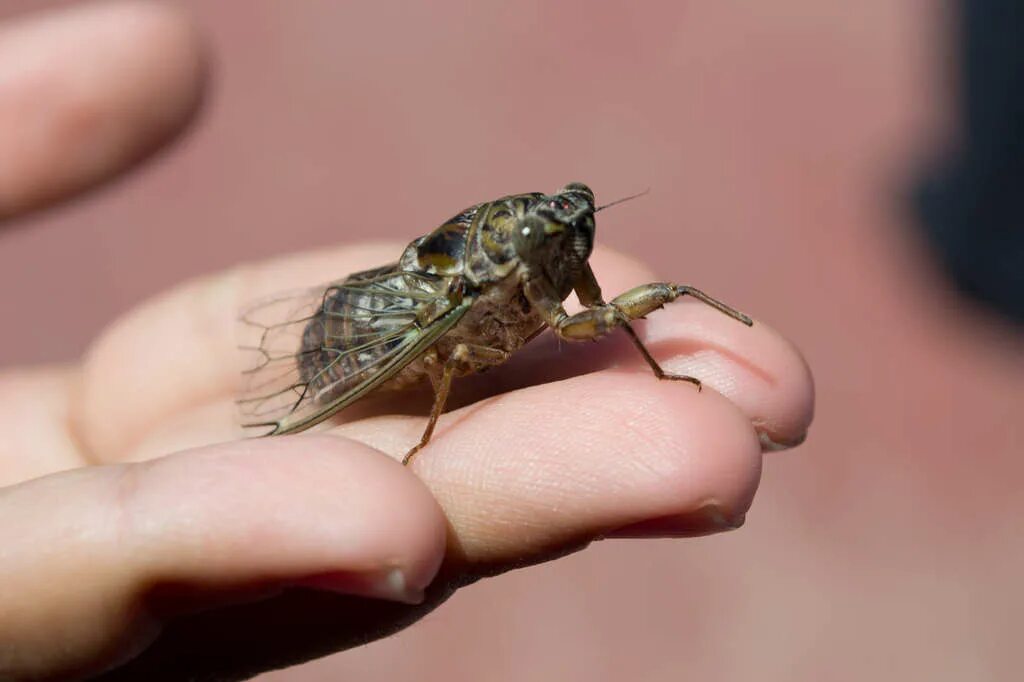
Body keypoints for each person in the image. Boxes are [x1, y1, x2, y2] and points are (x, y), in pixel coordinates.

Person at [0, 3, 814, 679]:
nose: (576, 237)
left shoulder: (559, 250)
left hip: (430, 290)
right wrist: (429, 425)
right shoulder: (483, 282)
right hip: (393, 322)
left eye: (578, 219)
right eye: (557, 230)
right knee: (446, 357)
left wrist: (648, 336)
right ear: (521, 246)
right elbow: (471, 348)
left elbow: (589, 308)